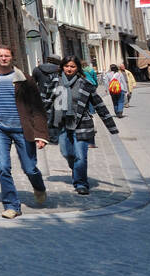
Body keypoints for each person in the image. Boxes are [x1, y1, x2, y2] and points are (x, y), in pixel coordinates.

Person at [0, 44, 48, 218]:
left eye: (6, 55)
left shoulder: (25, 79)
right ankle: (11, 205)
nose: (3, 58)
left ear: (12, 57)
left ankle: (39, 186)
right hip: (0, 130)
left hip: (24, 129)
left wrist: (41, 134)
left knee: (30, 168)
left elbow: (37, 108)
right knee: (2, 167)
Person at [41, 56, 118, 195]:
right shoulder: (54, 82)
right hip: (62, 125)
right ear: (62, 67)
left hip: (81, 124)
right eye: (67, 66)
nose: (69, 69)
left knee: (81, 156)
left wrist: (111, 126)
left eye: (72, 66)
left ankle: (81, 183)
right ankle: (76, 170)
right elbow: (45, 102)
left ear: (77, 68)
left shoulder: (85, 83)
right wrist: (40, 124)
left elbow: (99, 104)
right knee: (67, 153)